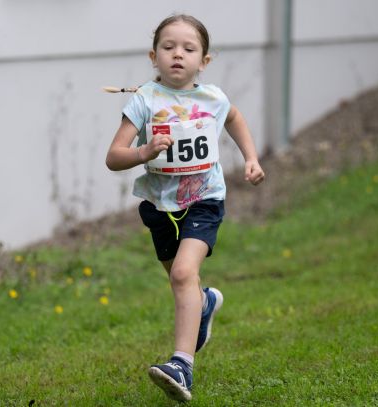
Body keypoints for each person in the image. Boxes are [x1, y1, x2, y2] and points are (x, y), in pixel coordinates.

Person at [105, 14, 265, 402]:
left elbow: (234, 117)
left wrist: (251, 157)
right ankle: (205, 302)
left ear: (204, 61)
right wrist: (144, 152)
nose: (178, 54)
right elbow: (114, 157)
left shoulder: (213, 98)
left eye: (188, 49)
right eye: (168, 47)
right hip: (159, 206)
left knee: (182, 274)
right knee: (182, 281)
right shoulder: (144, 100)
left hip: (204, 200)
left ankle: (182, 366)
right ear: (153, 56)